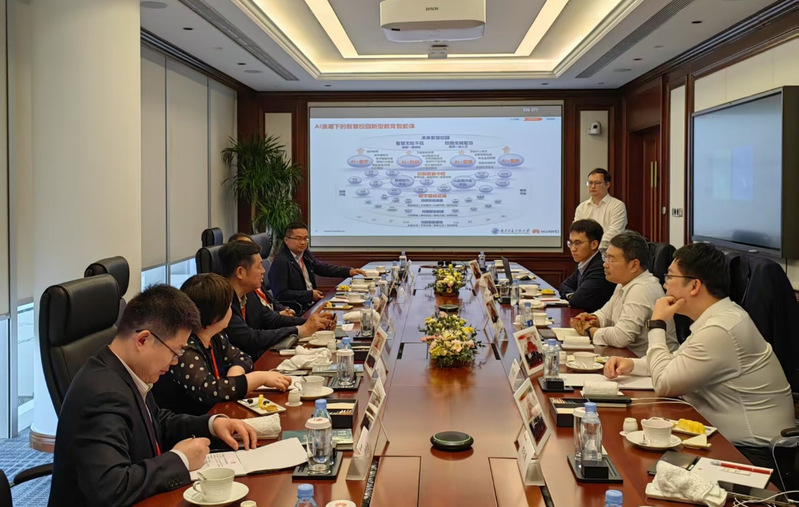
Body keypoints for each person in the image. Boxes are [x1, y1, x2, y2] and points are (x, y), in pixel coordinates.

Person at [48, 285, 258, 507]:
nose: (174, 362)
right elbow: (110, 487)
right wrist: (180, 459)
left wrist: (211, 425)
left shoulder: (125, 371)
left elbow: (155, 421)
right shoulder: (102, 394)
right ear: (143, 340)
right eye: (175, 352)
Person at [604, 243, 794, 468]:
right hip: (724, 440)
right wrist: (632, 365)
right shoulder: (718, 317)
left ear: (694, 285)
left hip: (751, 454)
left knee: (635, 463)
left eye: (670, 277)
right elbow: (677, 363)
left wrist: (657, 324)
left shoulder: (721, 328)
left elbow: (664, 383)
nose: (665, 284)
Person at [153, 273, 291, 415]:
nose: (231, 311)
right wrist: (260, 378)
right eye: (229, 306)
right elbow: (209, 391)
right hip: (192, 423)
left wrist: (234, 377)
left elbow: (242, 358)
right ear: (215, 316)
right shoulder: (185, 348)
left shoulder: (215, 336)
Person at [570, 231, 678, 357]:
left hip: (654, 363)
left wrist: (589, 330)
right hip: (629, 357)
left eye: (611, 259)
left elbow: (621, 337)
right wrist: (592, 319)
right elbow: (606, 314)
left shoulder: (641, 289)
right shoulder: (624, 283)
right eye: (606, 257)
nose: (605, 264)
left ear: (634, 265)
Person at [219, 239, 333, 359]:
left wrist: (312, 322)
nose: (263, 271)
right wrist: (300, 330)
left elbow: (272, 319)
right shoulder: (222, 302)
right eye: (259, 267)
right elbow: (250, 338)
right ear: (240, 272)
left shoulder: (249, 294)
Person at [269, 222, 366, 311]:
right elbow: (281, 294)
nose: (303, 242)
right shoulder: (281, 262)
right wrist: (309, 295)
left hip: (311, 304)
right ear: (286, 240)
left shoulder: (304, 254)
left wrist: (348, 271)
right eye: (298, 239)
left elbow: (321, 267)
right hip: (298, 310)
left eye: (305, 238)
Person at [228, 232, 296, 316]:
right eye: (245, 247)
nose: (263, 271)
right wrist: (279, 314)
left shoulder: (254, 281)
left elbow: (270, 302)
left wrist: (285, 310)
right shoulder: (230, 301)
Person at [559, 219, 615, 312]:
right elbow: (564, 285)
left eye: (577, 243)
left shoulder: (600, 268)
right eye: (571, 243)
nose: (573, 249)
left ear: (594, 244)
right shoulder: (584, 263)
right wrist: (571, 295)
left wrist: (573, 296)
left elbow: (577, 301)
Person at [574, 168, 627, 252]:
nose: (592, 186)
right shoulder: (582, 207)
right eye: (590, 183)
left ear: (607, 185)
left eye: (597, 183)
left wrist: (594, 247)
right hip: (586, 252)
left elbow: (615, 232)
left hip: (608, 252)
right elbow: (577, 232)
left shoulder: (617, 205)